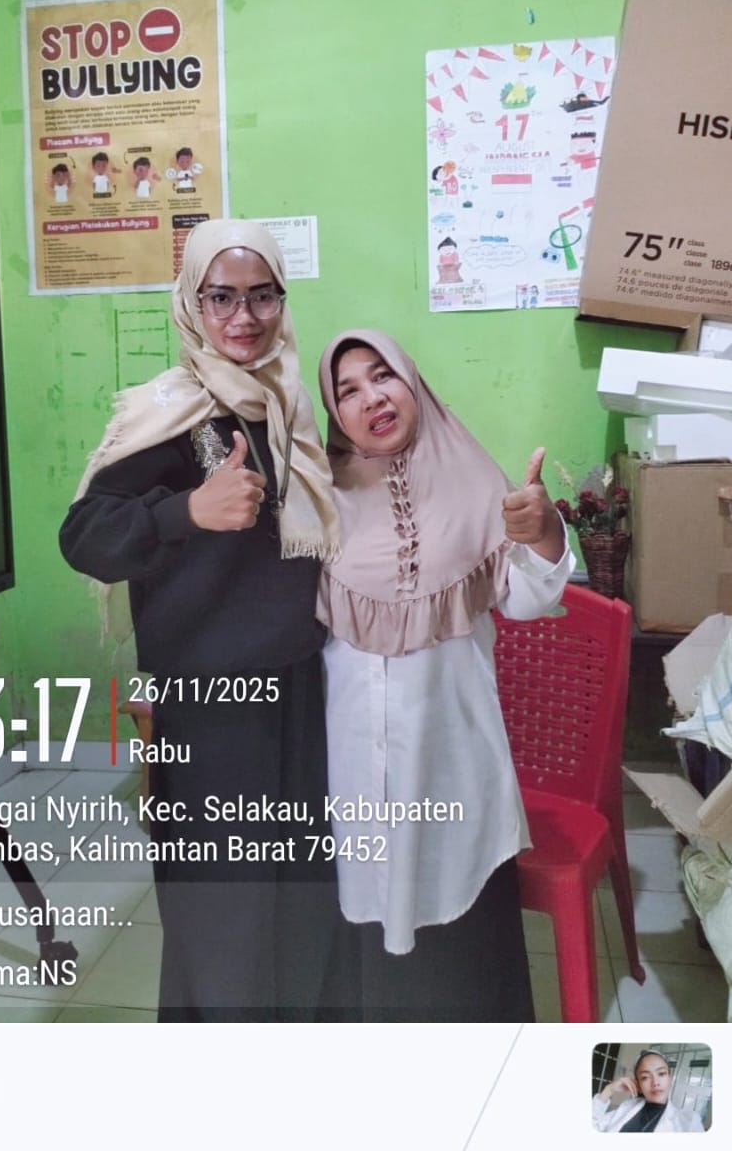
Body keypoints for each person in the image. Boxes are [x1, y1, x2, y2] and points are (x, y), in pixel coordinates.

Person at [60, 220, 346, 1022]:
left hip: (298, 687)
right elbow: (83, 537)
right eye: (222, 297)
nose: (243, 317)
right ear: (191, 301)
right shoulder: (169, 410)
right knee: (224, 906)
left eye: (262, 296)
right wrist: (186, 510)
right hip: (212, 704)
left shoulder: (289, 405)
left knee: (298, 889)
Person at [316, 329, 574, 1020]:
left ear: (413, 384)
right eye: (348, 390)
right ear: (335, 414)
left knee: (461, 907)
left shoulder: (474, 478)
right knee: (372, 896)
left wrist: (544, 531)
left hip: (454, 745)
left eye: (383, 376)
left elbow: (528, 599)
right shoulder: (318, 497)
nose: (372, 398)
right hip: (354, 752)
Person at [593, 1050, 705, 1132]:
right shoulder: (626, 1108)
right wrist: (609, 1090)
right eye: (645, 1077)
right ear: (639, 1085)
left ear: (670, 1079)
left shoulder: (689, 1122)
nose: (655, 1082)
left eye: (661, 1073)